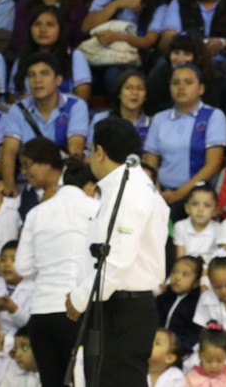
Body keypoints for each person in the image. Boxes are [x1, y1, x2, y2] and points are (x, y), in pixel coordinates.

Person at [66, 116, 170, 387]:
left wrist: (78, 299)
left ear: (99, 151)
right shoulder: (132, 186)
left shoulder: (130, 192)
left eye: (90, 150)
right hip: (121, 305)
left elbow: (117, 262)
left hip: (122, 308)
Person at [15, 155, 98, 387]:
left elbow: (23, 267)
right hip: (79, 311)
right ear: (91, 187)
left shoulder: (37, 213)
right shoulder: (97, 209)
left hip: (42, 313)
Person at [0, 52, 89, 194]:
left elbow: (75, 149)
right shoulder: (17, 109)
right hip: (29, 180)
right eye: (31, 75)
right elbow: (9, 151)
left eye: (44, 73)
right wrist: (9, 187)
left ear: (58, 80)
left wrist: (64, 187)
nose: (37, 80)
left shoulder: (75, 105)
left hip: (63, 177)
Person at [143, 64, 226, 213]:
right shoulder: (159, 118)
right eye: (175, 83)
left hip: (197, 197)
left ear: (201, 88)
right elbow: (151, 164)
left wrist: (179, 194)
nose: (181, 87)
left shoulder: (213, 116)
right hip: (162, 193)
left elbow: (213, 164)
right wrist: (155, 192)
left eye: (188, 83)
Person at [82, 0, 168, 94]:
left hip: (132, 60)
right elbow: (86, 27)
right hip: (98, 54)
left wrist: (119, 37)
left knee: (113, 74)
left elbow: (149, 41)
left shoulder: (159, 7)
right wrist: (117, 4)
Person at [8, 6, 92, 103]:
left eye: (50, 25)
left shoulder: (74, 56)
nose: (43, 30)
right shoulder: (21, 60)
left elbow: (82, 98)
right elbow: (12, 99)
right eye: (37, 24)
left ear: (60, 29)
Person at [88, 69, 151, 148]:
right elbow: (90, 153)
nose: (135, 93)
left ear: (146, 96)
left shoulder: (152, 125)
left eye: (140, 88)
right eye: (128, 88)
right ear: (119, 93)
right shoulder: (101, 119)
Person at [155, 255, 203, 354]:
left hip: (180, 352)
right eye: (174, 272)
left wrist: (178, 350)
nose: (177, 277)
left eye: (185, 275)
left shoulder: (197, 304)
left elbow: (193, 334)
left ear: (196, 283)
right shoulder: (164, 297)